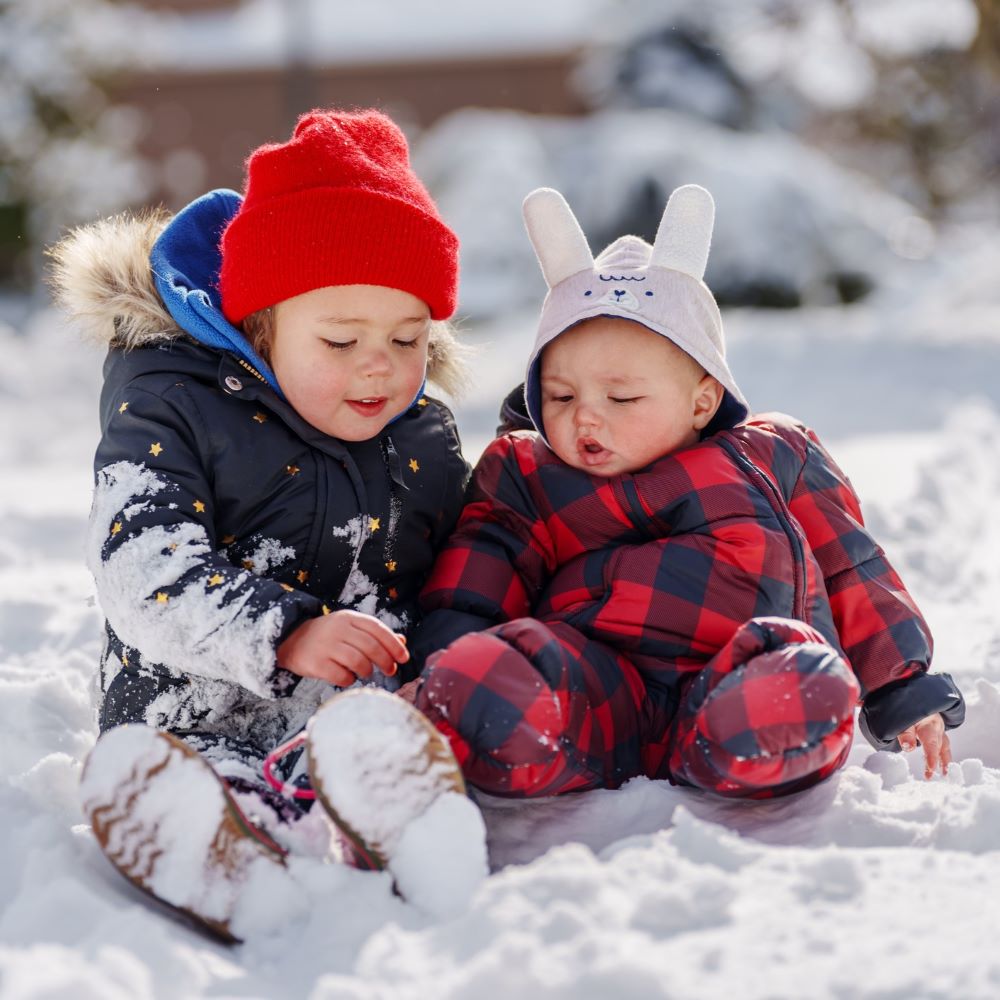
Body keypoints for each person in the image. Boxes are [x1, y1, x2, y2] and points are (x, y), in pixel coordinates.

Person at [52, 109, 485, 941]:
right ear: (260, 327)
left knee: (382, 740)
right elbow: (140, 566)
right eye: (341, 337)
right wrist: (282, 630)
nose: (381, 365)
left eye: (407, 337)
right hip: (193, 712)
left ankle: (391, 814)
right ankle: (220, 841)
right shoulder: (172, 406)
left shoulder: (423, 433)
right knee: (199, 768)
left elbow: (457, 567)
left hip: (348, 713)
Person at [402, 183, 965, 801]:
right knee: (497, 671)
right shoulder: (528, 472)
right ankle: (425, 744)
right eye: (560, 397)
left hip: (738, 675)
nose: (586, 418)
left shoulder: (775, 454)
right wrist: (439, 674)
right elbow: (476, 582)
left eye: (621, 398)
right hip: (596, 688)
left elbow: (852, 566)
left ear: (702, 399)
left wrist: (902, 689)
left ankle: (751, 742)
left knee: (800, 680)